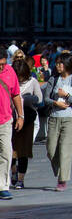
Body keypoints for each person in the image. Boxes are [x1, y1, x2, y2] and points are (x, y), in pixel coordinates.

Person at [43, 56, 72, 192]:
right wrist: (55, 102)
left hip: (69, 119)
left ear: (67, 65)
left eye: (61, 63)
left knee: (65, 151)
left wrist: (66, 96)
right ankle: (60, 170)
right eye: (57, 63)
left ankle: (62, 180)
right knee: (51, 150)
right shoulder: (53, 80)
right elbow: (45, 99)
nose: (58, 66)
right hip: (54, 118)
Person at [10, 55, 42, 189]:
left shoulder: (32, 82)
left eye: (21, 77)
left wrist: (28, 99)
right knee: (10, 151)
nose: (19, 80)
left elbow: (40, 100)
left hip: (27, 120)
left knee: (23, 152)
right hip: (11, 120)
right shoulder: (10, 82)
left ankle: (21, 179)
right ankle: (13, 172)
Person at [0, 48, 24, 201]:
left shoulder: (9, 71)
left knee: (6, 152)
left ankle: (3, 186)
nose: (2, 67)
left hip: (5, 119)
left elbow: (15, 94)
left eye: (3, 64)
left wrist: (20, 115)